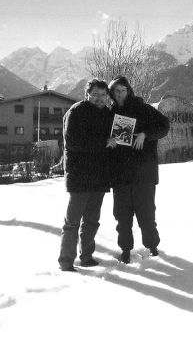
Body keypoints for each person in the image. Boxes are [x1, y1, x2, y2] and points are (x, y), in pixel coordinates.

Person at [107, 76, 170, 264]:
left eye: (123, 90)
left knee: (147, 214)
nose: (119, 94)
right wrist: (109, 141)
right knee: (122, 216)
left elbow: (164, 126)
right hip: (120, 174)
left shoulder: (142, 108)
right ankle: (125, 250)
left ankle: (153, 247)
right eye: (116, 91)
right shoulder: (109, 113)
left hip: (144, 173)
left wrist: (146, 134)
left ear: (129, 91)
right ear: (112, 93)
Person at [58, 79, 112, 272]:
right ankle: (66, 262)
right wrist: (104, 143)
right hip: (80, 176)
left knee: (91, 221)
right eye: (95, 94)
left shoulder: (107, 114)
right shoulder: (76, 112)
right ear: (87, 94)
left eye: (103, 95)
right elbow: (72, 143)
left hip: (99, 177)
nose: (99, 98)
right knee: (72, 222)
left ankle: (87, 256)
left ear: (107, 96)